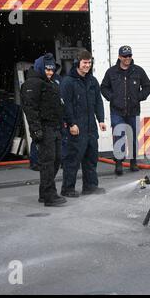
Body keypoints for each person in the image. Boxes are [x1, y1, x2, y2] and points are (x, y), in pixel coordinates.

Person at [21, 53, 66, 207]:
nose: (50, 72)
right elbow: (30, 109)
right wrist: (36, 130)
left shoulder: (51, 83)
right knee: (48, 161)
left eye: (52, 70)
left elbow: (58, 106)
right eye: (47, 69)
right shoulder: (32, 84)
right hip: (44, 128)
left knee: (57, 159)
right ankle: (49, 195)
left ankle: (44, 191)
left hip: (55, 127)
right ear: (41, 68)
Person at [100, 45, 150, 175]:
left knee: (133, 137)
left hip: (133, 111)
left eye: (129, 56)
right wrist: (112, 98)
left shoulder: (138, 71)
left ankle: (133, 162)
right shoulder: (111, 72)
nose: (127, 58)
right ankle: (118, 163)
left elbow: (148, 86)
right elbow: (104, 87)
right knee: (119, 137)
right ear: (119, 57)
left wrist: (139, 97)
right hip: (117, 111)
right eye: (124, 56)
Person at [61, 50, 107, 197]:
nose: (87, 65)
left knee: (91, 158)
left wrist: (101, 119)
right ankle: (68, 189)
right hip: (77, 126)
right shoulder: (68, 82)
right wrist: (71, 123)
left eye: (89, 63)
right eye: (84, 63)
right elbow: (65, 105)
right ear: (78, 63)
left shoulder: (92, 81)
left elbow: (98, 102)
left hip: (91, 126)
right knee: (73, 159)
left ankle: (90, 186)